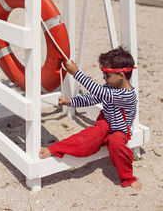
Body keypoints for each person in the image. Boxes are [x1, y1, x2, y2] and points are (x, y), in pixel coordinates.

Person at [40, 46, 142, 190]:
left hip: (120, 130)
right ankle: (56, 149)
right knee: (89, 137)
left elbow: (99, 91)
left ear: (120, 75)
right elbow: (92, 98)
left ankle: (127, 177)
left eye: (106, 74)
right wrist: (71, 101)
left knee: (117, 144)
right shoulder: (109, 87)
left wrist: (76, 73)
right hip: (105, 120)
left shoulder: (127, 95)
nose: (103, 78)